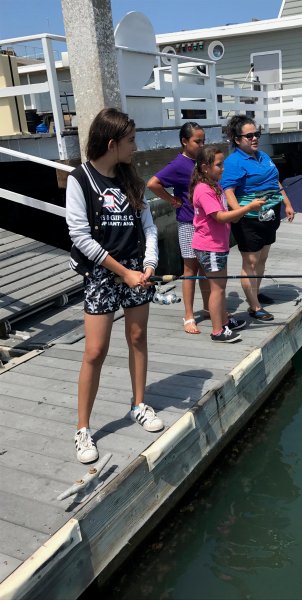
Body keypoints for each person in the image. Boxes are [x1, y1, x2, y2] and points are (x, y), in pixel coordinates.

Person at [66, 107, 164, 464]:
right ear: (112, 143)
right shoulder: (80, 180)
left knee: (138, 338)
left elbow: (149, 228)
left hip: (138, 269)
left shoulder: (132, 181)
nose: (135, 147)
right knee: (95, 351)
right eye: (131, 141)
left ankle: (139, 403)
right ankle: (83, 429)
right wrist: (122, 271)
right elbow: (80, 236)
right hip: (103, 273)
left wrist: (150, 263)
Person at [221, 115, 295, 321]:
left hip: (270, 214)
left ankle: (255, 293)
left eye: (257, 134)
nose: (255, 138)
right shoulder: (234, 162)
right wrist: (239, 214)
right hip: (250, 218)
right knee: (250, 262)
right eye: (249, 135)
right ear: (237, 139)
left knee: (262, 258)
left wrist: (287, 203)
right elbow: (228, 191)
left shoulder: (263, 156)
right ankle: (254, 306)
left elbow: (275, 181)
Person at [190, 146, 266, 342]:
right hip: (209, 247)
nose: (223, 168)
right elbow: (221, 217)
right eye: (219, 164)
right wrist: (248, 208)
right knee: (218, 289)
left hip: (218, 245)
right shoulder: (204, 190)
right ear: (205, 167)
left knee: (220, 286)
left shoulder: (215, 185)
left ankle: (224, 321)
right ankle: (217, 330)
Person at [147, 122, 210, 334]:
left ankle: (209, 307)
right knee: (190, 270)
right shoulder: (179, 164)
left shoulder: (202, 162)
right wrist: (172, 200)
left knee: (206, 269)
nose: (201, 145)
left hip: (206, 224)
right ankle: (189, 315)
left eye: (203, 141)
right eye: (197, 141)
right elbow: (153, 183)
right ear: (185, 141)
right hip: (188, 224)